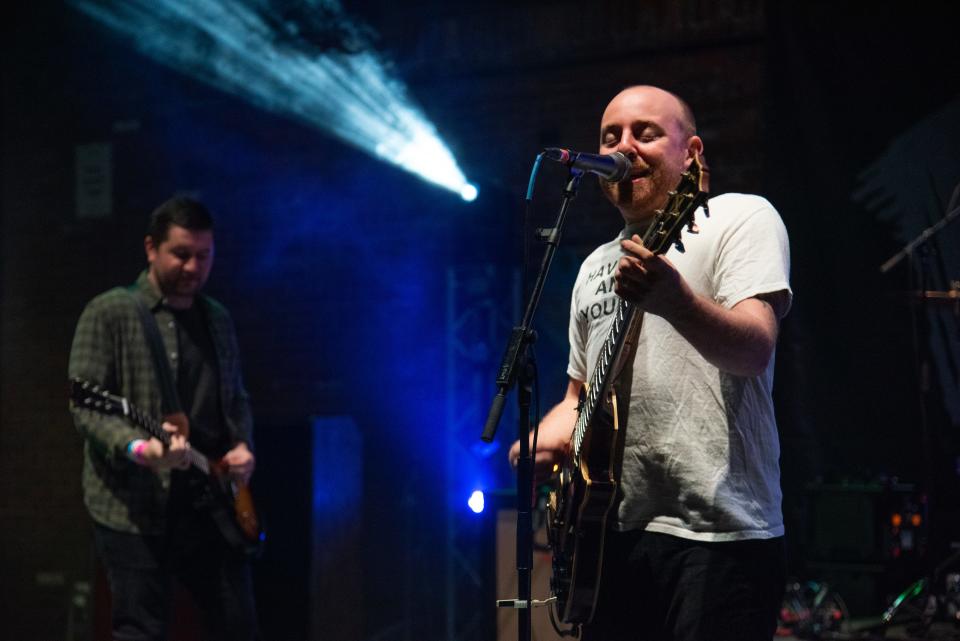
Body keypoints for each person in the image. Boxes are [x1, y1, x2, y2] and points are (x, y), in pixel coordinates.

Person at [509, 85, 792, 640]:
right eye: (610, 136)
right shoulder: (595, 266)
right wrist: (540, 440)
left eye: (646, 132)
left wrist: (676, 301)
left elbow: (755, 349)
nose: (624, 145)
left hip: (719, 536)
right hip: (610, 533)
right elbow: (579, 397)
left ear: (692, 153)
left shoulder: (739, 218)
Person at [69, 196, 259, 641]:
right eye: (181, 254)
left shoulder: (217, 320)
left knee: (239, 625)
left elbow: (237, 400)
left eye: (204, 256)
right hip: (134, 508)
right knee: (141, 630)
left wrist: (243, 447)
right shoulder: (111, 312)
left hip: (210, 502)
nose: (194, 267)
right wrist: (141, 449)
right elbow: (85, 408)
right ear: (151, 248)